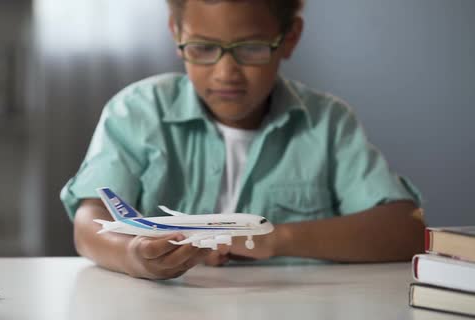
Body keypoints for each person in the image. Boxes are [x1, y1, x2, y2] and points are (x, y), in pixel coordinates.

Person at [60, 0, 425, 279]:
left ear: (290, 39)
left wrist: (270, 238)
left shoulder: (327, 124)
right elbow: (90, 220)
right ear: (176, 34)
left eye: (251, 48)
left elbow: (405, 229)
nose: (225, 73)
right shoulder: (136, 112)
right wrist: (134, 257)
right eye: (202, 48)